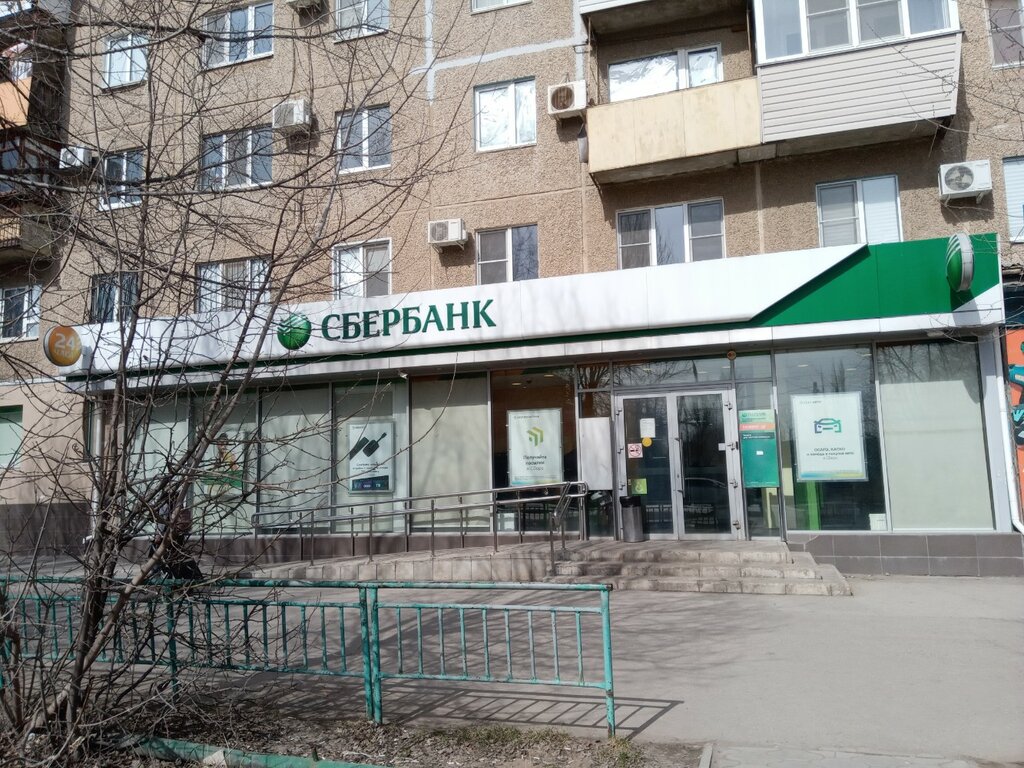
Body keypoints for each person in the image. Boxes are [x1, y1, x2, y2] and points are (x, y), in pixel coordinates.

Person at [148, 490, 203, 581]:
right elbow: (152, 518)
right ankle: (166, 581)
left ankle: (187, 581)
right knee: (163, 565)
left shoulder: (180, 511)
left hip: (173, 543)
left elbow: (184, 527)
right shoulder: (163, 508)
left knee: (178, 564)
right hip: (164, 544)